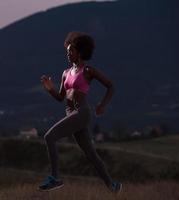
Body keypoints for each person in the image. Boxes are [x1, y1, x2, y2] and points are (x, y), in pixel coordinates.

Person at [39, 31, 122, 193]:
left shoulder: (88, 71)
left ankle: (55, 177)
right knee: (91, 154)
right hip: (70, 113)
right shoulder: (65, 73)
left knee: (49, 136)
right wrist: (50, 89)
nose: (68, 54)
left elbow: (111, 85)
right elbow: (61, 97)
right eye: (67, 51)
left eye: (71, 51)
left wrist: (103, 104)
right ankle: (113, 186)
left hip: (81, 113)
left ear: (81, 52)